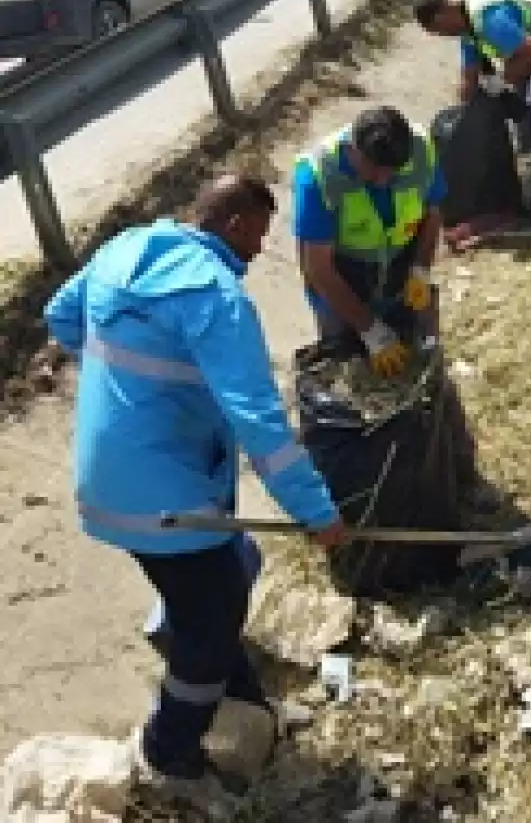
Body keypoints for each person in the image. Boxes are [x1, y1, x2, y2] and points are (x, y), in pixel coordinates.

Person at [43, 174, 346, 805]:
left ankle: (238, 699)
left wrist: (132, 384)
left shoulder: (123, 250)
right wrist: (317, 512)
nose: (258, 252)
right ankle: (169, 754)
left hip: (104, 481)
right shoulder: (214, 295)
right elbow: (260, 422)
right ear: (234, 224)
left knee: (230, 569)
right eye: (258, 236)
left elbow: (61, 318)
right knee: (210, 622)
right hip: (167, 503)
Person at [292, 106, 445, 377]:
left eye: (393, 172)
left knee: (416, 360)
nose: (384, 181)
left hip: (400, 273)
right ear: (352, 150)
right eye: (374, 171)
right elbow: (318, 268)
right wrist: (370, 329)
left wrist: (421, 268)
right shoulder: (318, 176)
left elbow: (433, 213)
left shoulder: (422, 151)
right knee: (348, 370)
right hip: (343, 285)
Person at [412, 0, 531, 170]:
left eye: (438, 31)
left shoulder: (489, 20)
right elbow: (469, 76)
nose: (443, 36)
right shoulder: (466, 29)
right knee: (526, 128)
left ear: (441, 17)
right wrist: (461, 117)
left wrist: (503, 80)